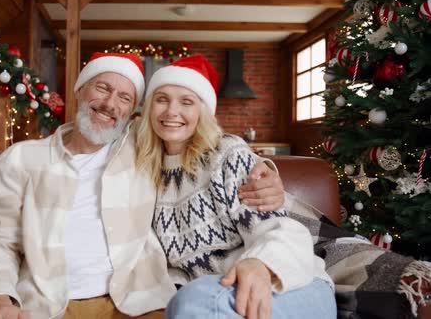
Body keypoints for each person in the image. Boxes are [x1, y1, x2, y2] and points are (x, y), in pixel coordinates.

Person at [0, 52, 286, 319]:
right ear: (79, 91)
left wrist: (263, 170)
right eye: (102, 88)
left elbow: (206, 143)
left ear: (133, 111)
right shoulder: (21, 159)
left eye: (124, 97)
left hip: (141, 301)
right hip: (46, 303)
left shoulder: (144, 146)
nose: (110, 104)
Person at [135, 55, 337, 319]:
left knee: (195, 304)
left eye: (187, 102)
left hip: (285, 284)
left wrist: (260, 262)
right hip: (213, 293)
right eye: (161, 99)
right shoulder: (143, 168)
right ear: (148, 107)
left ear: (202, 111)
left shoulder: (227, 156)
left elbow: (276, 228)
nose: (172, 111)